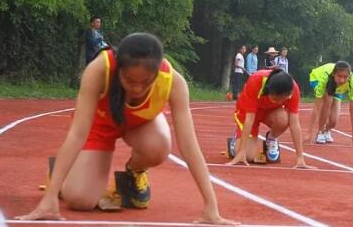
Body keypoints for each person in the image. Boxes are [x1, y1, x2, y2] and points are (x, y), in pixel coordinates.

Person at [16, 33, 236, 224]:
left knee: (160, 146)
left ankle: (133, 174)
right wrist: (50, 197)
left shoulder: (174, 82)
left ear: (157, 74)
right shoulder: (99, 69)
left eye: (146, 82)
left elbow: (189, 145)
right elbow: (77, 133)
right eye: (130, 81)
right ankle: (60, 174)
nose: (138, 88)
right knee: (79, 200)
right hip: (99, 125)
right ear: (119, 68)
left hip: (140, 125)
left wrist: (211, 207)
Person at [227, 68, 313, 169]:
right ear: (269, 90)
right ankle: (234, 143)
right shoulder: (255, 80)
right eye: (276, 99)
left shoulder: (293, 90)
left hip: (270, 112)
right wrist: (241, 153)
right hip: (247, 112)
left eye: (283, 100)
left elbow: (294, 123)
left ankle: (271, 139)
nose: (279, 102)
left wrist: (300, 158)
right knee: (248, 156)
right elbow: (249, 119)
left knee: (284, 118)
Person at [306, 61, 353, 146]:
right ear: (334, 74)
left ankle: (326, 130)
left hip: (337, 89)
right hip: (317, 78)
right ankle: (320, 131)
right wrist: (309, 133)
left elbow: (352, 110)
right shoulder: (325, 77)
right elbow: (317, 107)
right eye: (339, 76)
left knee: (333, 121)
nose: (342, 80)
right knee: (328, 100)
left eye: (345, 77)